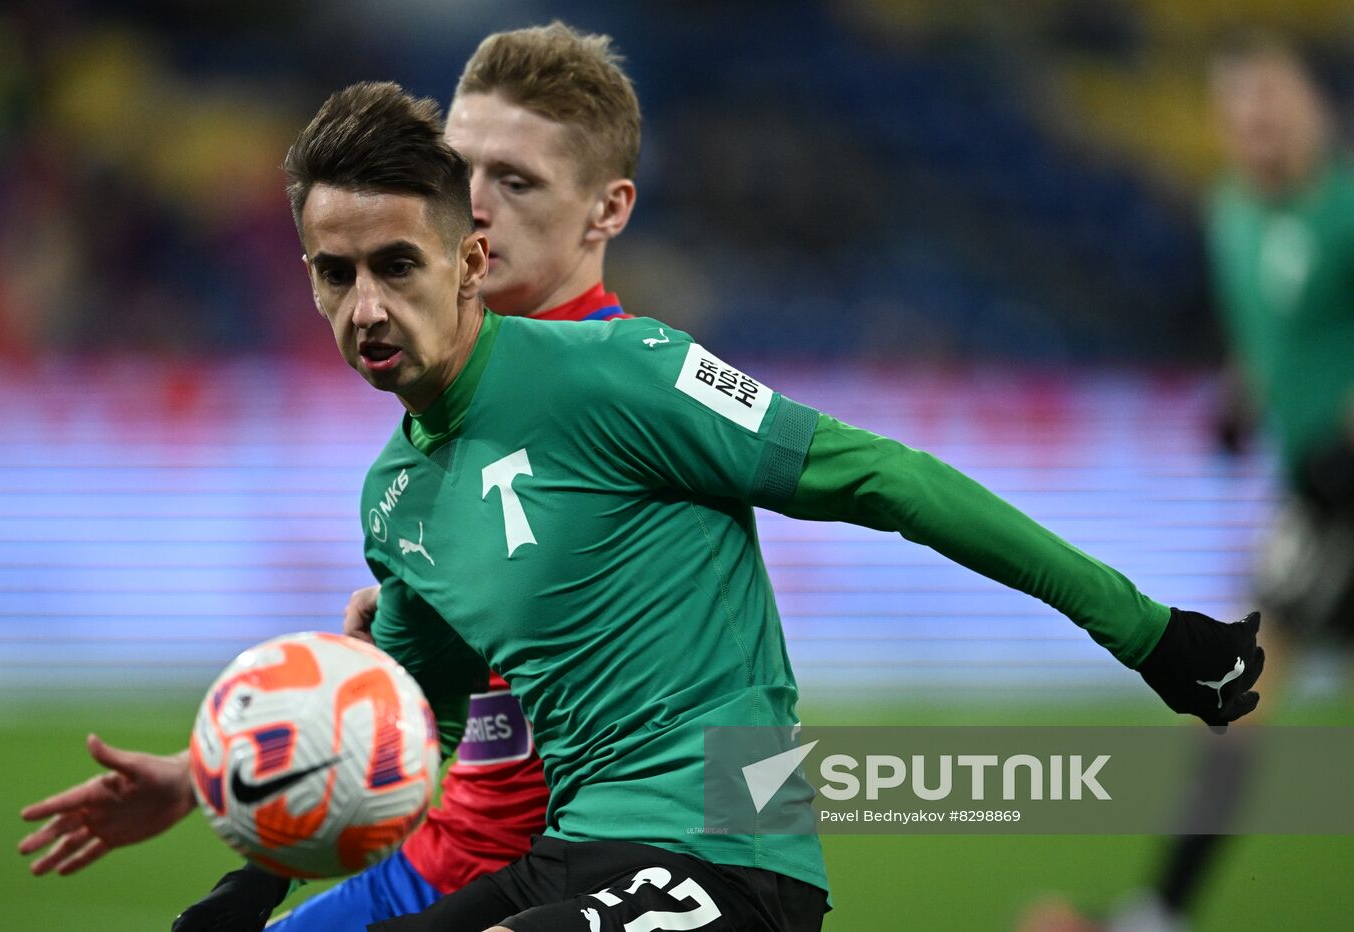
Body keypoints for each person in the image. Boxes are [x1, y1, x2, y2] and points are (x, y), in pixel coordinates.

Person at [247, 80, 1259, 932]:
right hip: (570, 857)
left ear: (466, 261)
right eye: (335, 274)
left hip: (728, 854)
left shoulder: (617, 369)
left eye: (394, 265)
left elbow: (884, 476)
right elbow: (396, 735)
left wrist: (1144, 629)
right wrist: (240, 878)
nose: (365, 307)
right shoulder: (393, 496)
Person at [17, 22, 641, 931]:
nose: (469, 205)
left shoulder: (637, 395)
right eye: (456, 171)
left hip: (554, 881)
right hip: (449, 858)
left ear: (606, 211)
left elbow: (733, 692)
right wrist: (211, 778)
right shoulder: (444, 417)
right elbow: (460, 696)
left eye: (515, 182)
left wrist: (732, 881)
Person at [1020, 33, 1354, 932]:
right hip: (1316, 501)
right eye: (1238, 112)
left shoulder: (1349, 209)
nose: (1257, 127)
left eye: (1272, 104)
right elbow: (1274, 337)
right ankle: (1159, 913)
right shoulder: (1234, 219)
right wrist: (1244, 401)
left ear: (1316, 110)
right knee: (1236, 694)